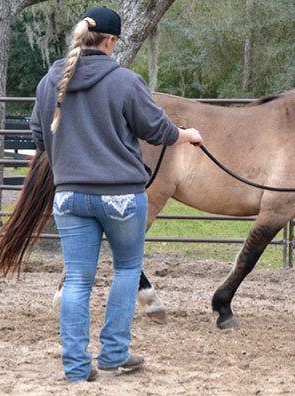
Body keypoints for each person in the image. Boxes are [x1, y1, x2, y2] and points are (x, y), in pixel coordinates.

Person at [29, 6, 202, 383]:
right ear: (110, 41)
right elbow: (157, 129)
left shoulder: (49, 83)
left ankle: (76, 368)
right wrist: (185, 134)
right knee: (126, 270)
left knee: (76, 280)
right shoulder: (125, 81)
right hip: (121, 197)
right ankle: (114, 354)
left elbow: (40, 138)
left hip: (69, 197)